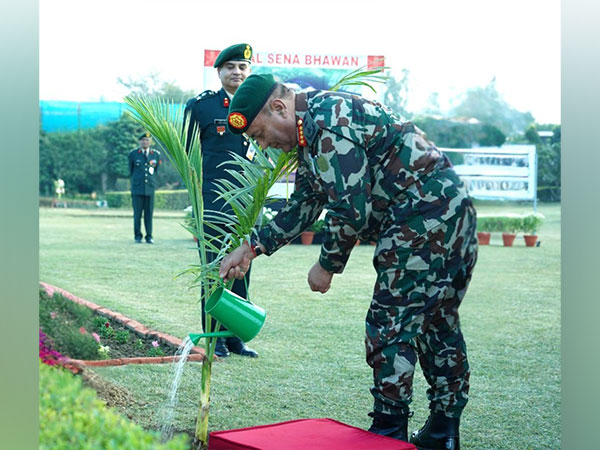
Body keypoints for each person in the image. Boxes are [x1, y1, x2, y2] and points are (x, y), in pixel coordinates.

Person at [219, 74, 478, 449]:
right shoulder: (313, 132)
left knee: (389, 323)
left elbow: (349, 208)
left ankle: (389, 432)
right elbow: (305, 202)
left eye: (260, 134)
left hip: (421, 216)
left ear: (279, 107)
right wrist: (251, 247)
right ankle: (443, 430)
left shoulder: (327, 121)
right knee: (435, 322)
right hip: (449, 211)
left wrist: (327, 264)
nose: (264, 145)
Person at [183, 43, 258, 358]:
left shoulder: (258, 106)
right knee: (214, 269)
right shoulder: (202, 106)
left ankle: (235, 338)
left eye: (242, 67)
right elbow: (186, 153)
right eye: (230, 67)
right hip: (213, 201)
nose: (236, 73)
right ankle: (214, 337)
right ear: (219, 71)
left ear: (248, 71)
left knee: (241, 269)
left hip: (247, 202)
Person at [128, 132, 161, 244]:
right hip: (137, 189)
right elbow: (130, 171)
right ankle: (137, 236)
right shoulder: (133, 154)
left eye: (147, 140)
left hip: (150, 189)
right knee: (137, 214)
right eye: (142, 140)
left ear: (150, 142)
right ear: (139, 141)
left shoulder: (155, 154)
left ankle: (149, 236)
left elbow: (155, 171)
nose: (144, 142)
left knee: (149, 214)